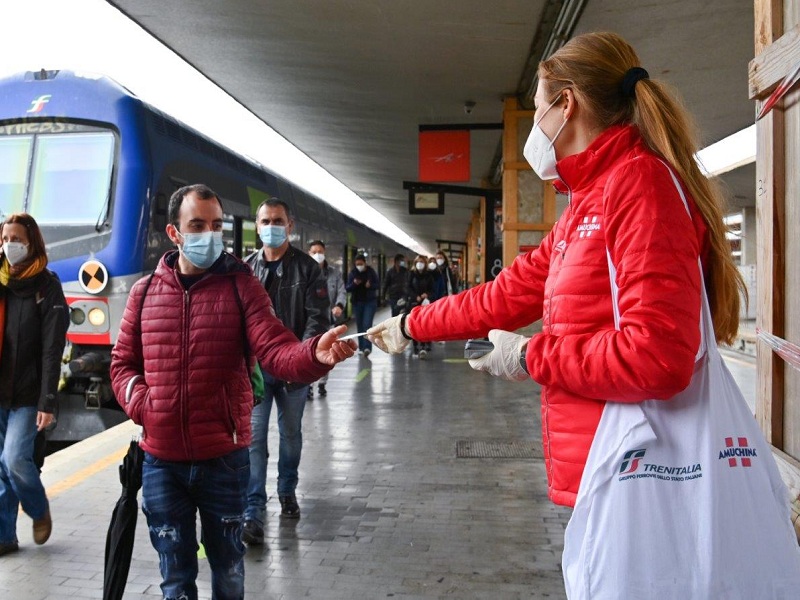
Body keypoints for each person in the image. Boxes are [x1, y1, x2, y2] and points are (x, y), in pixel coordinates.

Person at [369, 32, 744, 507]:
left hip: (643, 473)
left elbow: (658, 357)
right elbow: (502, 297)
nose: (534, 127)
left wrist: (529, 356)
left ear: (566, 104)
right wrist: (410, 325)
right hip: (606, 467)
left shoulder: (638, 184)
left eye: (537, 105)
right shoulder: (588, 202)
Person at [110, 184, 355, 599]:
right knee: (175, 579)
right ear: (174, 233)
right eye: (197, 225)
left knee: (227, 573)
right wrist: (144, 405)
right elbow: (122, 365)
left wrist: (315, 354)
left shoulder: (241, 287)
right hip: (160, 464)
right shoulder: (145, 292)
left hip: (223, 460)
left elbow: (275, 349)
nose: (209, 234)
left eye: (216, 225)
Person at [242, 200, 330, 541]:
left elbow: (317, 318)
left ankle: (287, 489)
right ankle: (253, 509)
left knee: (291, 436)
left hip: (294, 370)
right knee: (254, 440)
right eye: (266, 221)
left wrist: (301, 358)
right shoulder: (247, 268)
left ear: (289, 225)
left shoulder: (308, 269)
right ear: (257, 224)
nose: (271, 226)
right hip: (258, 373)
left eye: (278, 220)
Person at [0, 214, 67, 557]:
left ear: (32, 243)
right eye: (4, 237)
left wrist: (48, 400)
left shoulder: (47, 286)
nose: (9, 244)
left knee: (14, 460)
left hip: (28, 394)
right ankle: (4, 536)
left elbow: (52, 348)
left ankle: (38, 509)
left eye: (16, 238)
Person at [308, 240, 347, 398]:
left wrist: (339, 306)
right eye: (314, 252)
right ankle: (308, 385)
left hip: (328, 320)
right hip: (309, 321)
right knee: (309, 353)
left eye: (320, 251)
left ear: (324, 253)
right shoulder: (304, 273)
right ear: (309, 253)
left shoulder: (334, 273)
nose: (318, 254)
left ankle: (322, 383)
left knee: (326, 352)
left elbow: (341, 291)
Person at [345, 254, 379, 356]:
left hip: (370, 302)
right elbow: (347, 288)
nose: (359, 266)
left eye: (361, 264)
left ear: (365, 263)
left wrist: (370, 285)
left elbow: (377, 284)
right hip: (357, 302)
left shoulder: (371, 272)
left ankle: (367, 348)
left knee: (367, 324)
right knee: (360, 325)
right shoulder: (353, 273)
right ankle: (361, 347)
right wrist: (354, 283)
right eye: (357, 264)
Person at [404, 256, 435, 359]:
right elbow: (408, 287)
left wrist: (427, 294)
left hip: (425, 304)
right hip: (413, 303)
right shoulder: (411, 274)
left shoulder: (429, 275)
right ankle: (415, 346)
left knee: (424, 324)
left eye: (422, 262)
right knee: (413, 324)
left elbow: (432, 289)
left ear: (425, 263)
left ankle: (422, 346)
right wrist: (415, 296)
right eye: (418, 262)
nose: (420, 264)